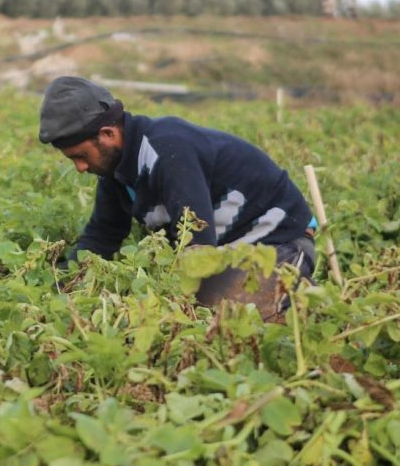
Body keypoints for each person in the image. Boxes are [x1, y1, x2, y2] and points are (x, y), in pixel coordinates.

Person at [38, 76, 316, 309]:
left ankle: (303, 299)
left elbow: (197, 245)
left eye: (81, 156)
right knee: (151, 302)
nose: (80, 168)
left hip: (280, 244)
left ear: (108, 134)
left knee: (209, 310)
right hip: (225, 255)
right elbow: (102, 236)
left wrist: (165, 298)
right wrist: (58, 288)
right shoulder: (115, 171)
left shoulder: (169, 149)